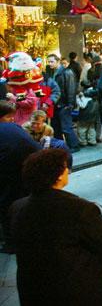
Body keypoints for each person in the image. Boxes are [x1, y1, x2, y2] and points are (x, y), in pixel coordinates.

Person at [10, 149, 102, 305]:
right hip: (76, 289)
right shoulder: (80, 208)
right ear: (59, 174)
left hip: (34, 290)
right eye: (65, 167)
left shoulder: (17, 207)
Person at [0, 102, 41, 253]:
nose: (12, 119)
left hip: (10, 170)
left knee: (6, 204)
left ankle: (11, 243)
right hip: (29, 166)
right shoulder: (15, 127)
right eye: (9, 116)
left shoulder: (7, 128)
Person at [48, 54, 80, 152]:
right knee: (56, 127)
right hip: (57, 104)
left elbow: (71, 89)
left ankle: (74, 145)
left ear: (58, 61)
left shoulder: (66, 72)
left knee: (66, 127)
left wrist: (70, 104)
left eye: (51, 61)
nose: (49, 64)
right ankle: (61, 146)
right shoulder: (53, 72)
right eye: (48, 61)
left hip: (64, 103)